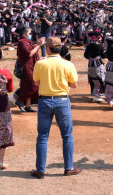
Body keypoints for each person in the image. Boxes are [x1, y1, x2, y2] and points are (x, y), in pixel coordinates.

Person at [30, 37, 81, 179]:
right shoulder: (67, 64)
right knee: (67, 136)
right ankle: (68, 167)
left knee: (42, 137)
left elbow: (36, 82)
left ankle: (40, 170)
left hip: (45, 101)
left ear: (48, 48)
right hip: (62, 100)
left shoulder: (40, 63)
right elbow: (74, 85)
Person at [12, 27, 40, 113]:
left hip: (33, 66)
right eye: (29, 32)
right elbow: (29, 54)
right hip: (26, 67)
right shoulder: (22, 42)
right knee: (34, 85)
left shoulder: (28, 42)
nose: (30, 34)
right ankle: (20, 100)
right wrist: (38, 45)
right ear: (24, 34)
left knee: (27, 86)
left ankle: (28, 105)